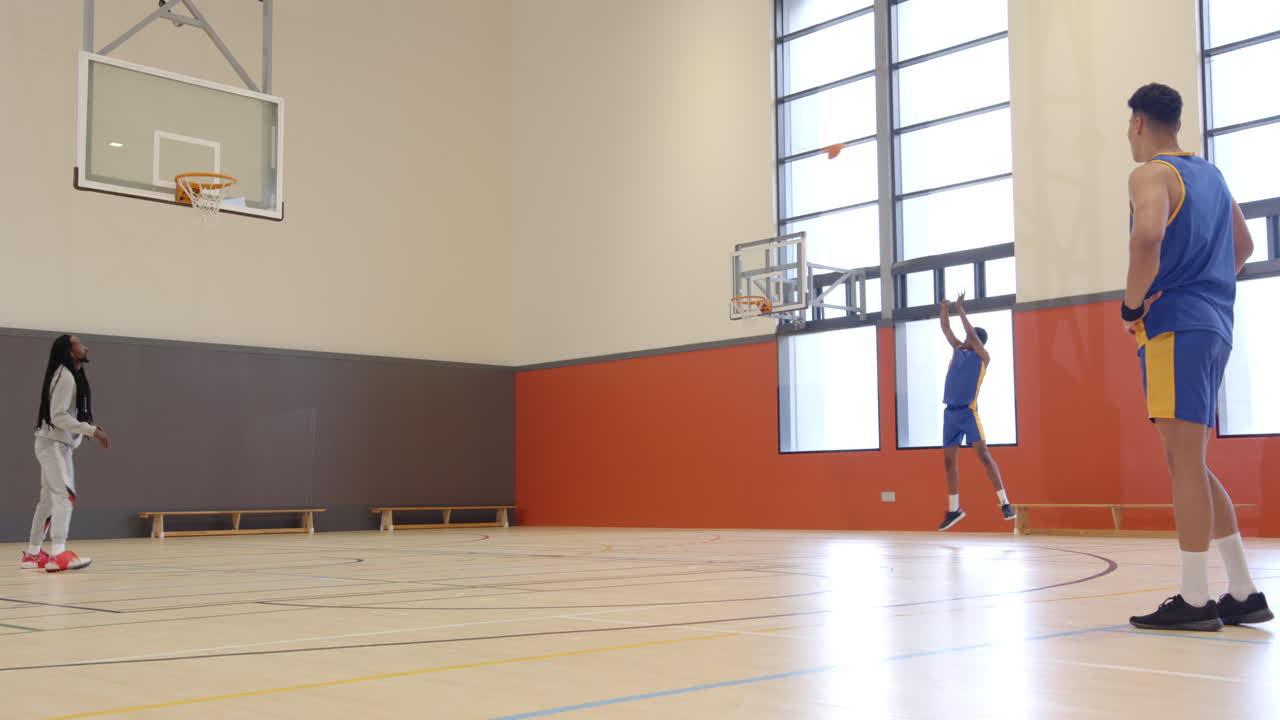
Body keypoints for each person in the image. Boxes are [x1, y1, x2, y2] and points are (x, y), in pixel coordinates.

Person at [1121, 82, 1271, 630]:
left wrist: (1131, 306)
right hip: (1214, 326)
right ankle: (1242, 591)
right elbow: (1244, 247)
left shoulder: (1150, 173)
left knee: (1182, 463)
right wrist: (1208, 288)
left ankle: (1195, 600)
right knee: (1193, 462)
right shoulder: (1211, 175)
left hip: (1175, 327)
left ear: (1138, 123)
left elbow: (1146, 238)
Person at [20, 334, 110, 573]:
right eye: (80, 344)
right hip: (53, 445)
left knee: (48, 501)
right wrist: (91, 431)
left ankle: (33, 554)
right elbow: (58, 415)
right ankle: (59, 554)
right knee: (65, 496)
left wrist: (87, 430)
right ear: (70, 352)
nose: (85, 347)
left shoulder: (70, 375)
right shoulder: (66, 377)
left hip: (52, 443)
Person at [936, 293, 1015, 531]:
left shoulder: (983, 357)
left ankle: (1004, 503)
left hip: (968, 413)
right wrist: (944, 309)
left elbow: (969, 332)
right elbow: (946, 329)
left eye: (971, 337)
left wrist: (961, 310)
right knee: (949, 462)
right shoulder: (958, 349)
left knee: (983, 455)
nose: (967, 338)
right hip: (950, 414)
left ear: (977, 341)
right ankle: (954, 509)